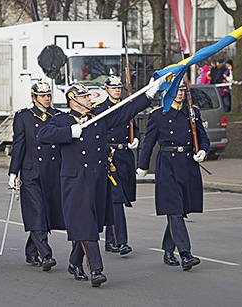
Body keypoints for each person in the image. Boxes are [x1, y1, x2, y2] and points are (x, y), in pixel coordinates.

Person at [37, 79, 161, 287]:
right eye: (85, 97)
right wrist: (70, 132)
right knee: (85, 223)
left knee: (91, 224)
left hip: (97, 179)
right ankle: (96, 269)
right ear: (73, 101)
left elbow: (125, 111)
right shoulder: (62, 119)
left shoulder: (98, 117)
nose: (89, 99)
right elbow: (43, 135)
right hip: (75, 181)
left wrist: (148, 94)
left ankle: (74, 262)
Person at [137, 83, 210, 271]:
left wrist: (203, 150)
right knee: (174, 209)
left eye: (182, 90)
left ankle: (168, 250)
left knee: (179, 210)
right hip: (167, 164)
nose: (179, 94)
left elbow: (203, 137)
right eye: (175, 90)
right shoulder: (158, 115)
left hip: (187, 164)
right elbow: (148, 143)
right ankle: (185, 254)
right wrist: (142, 166)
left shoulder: (192, 112)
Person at [8, 81, 64, 271]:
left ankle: (31, 251)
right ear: (34, 97)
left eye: (48, 95)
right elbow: (19, 145)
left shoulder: (57, 116)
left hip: (52, 172)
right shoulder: (23, 117)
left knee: (45, 213)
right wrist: (13, 172)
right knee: (37, 211)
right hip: (31, 172)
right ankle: (45, 254)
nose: (47, 98)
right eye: (42, 96)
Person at [94, 75, 138, 256]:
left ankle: (111, 241)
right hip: (109, 157)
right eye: (113, 88)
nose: (117, 90)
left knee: (119, 198)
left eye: (119, 87)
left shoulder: (127, 107)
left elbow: (133, 127)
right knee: (116, 199)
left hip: (124, 156)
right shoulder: (100, 109)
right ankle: (120, 241)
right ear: (106, 90)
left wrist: (135, 139)